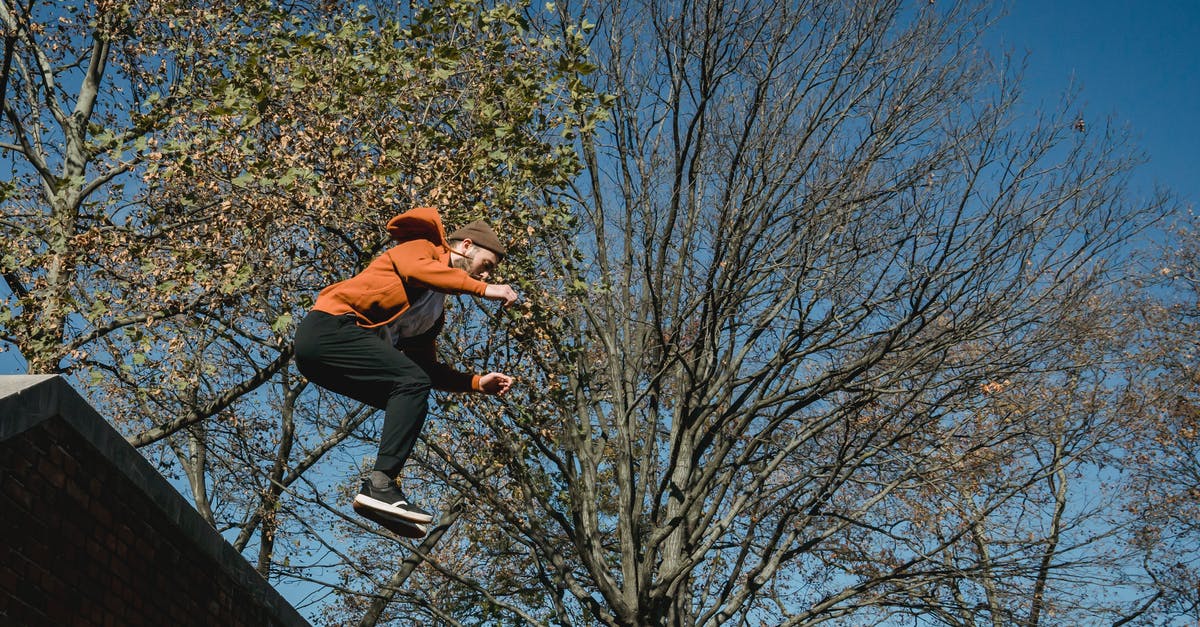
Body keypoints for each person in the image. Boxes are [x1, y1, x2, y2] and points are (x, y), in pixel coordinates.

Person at [294, 205, 518, 532]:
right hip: (327, 331)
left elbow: (423, 370)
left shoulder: (432, 313)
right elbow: (419, 271)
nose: (486, 276)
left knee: (411, 394)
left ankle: (380, 492)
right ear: (467, 246)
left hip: (328, 362)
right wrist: (486, 291)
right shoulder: (423, 248)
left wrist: (475, 382)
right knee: (410, 384)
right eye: (486, 266)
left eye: (490, 275)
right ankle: (381, 486)